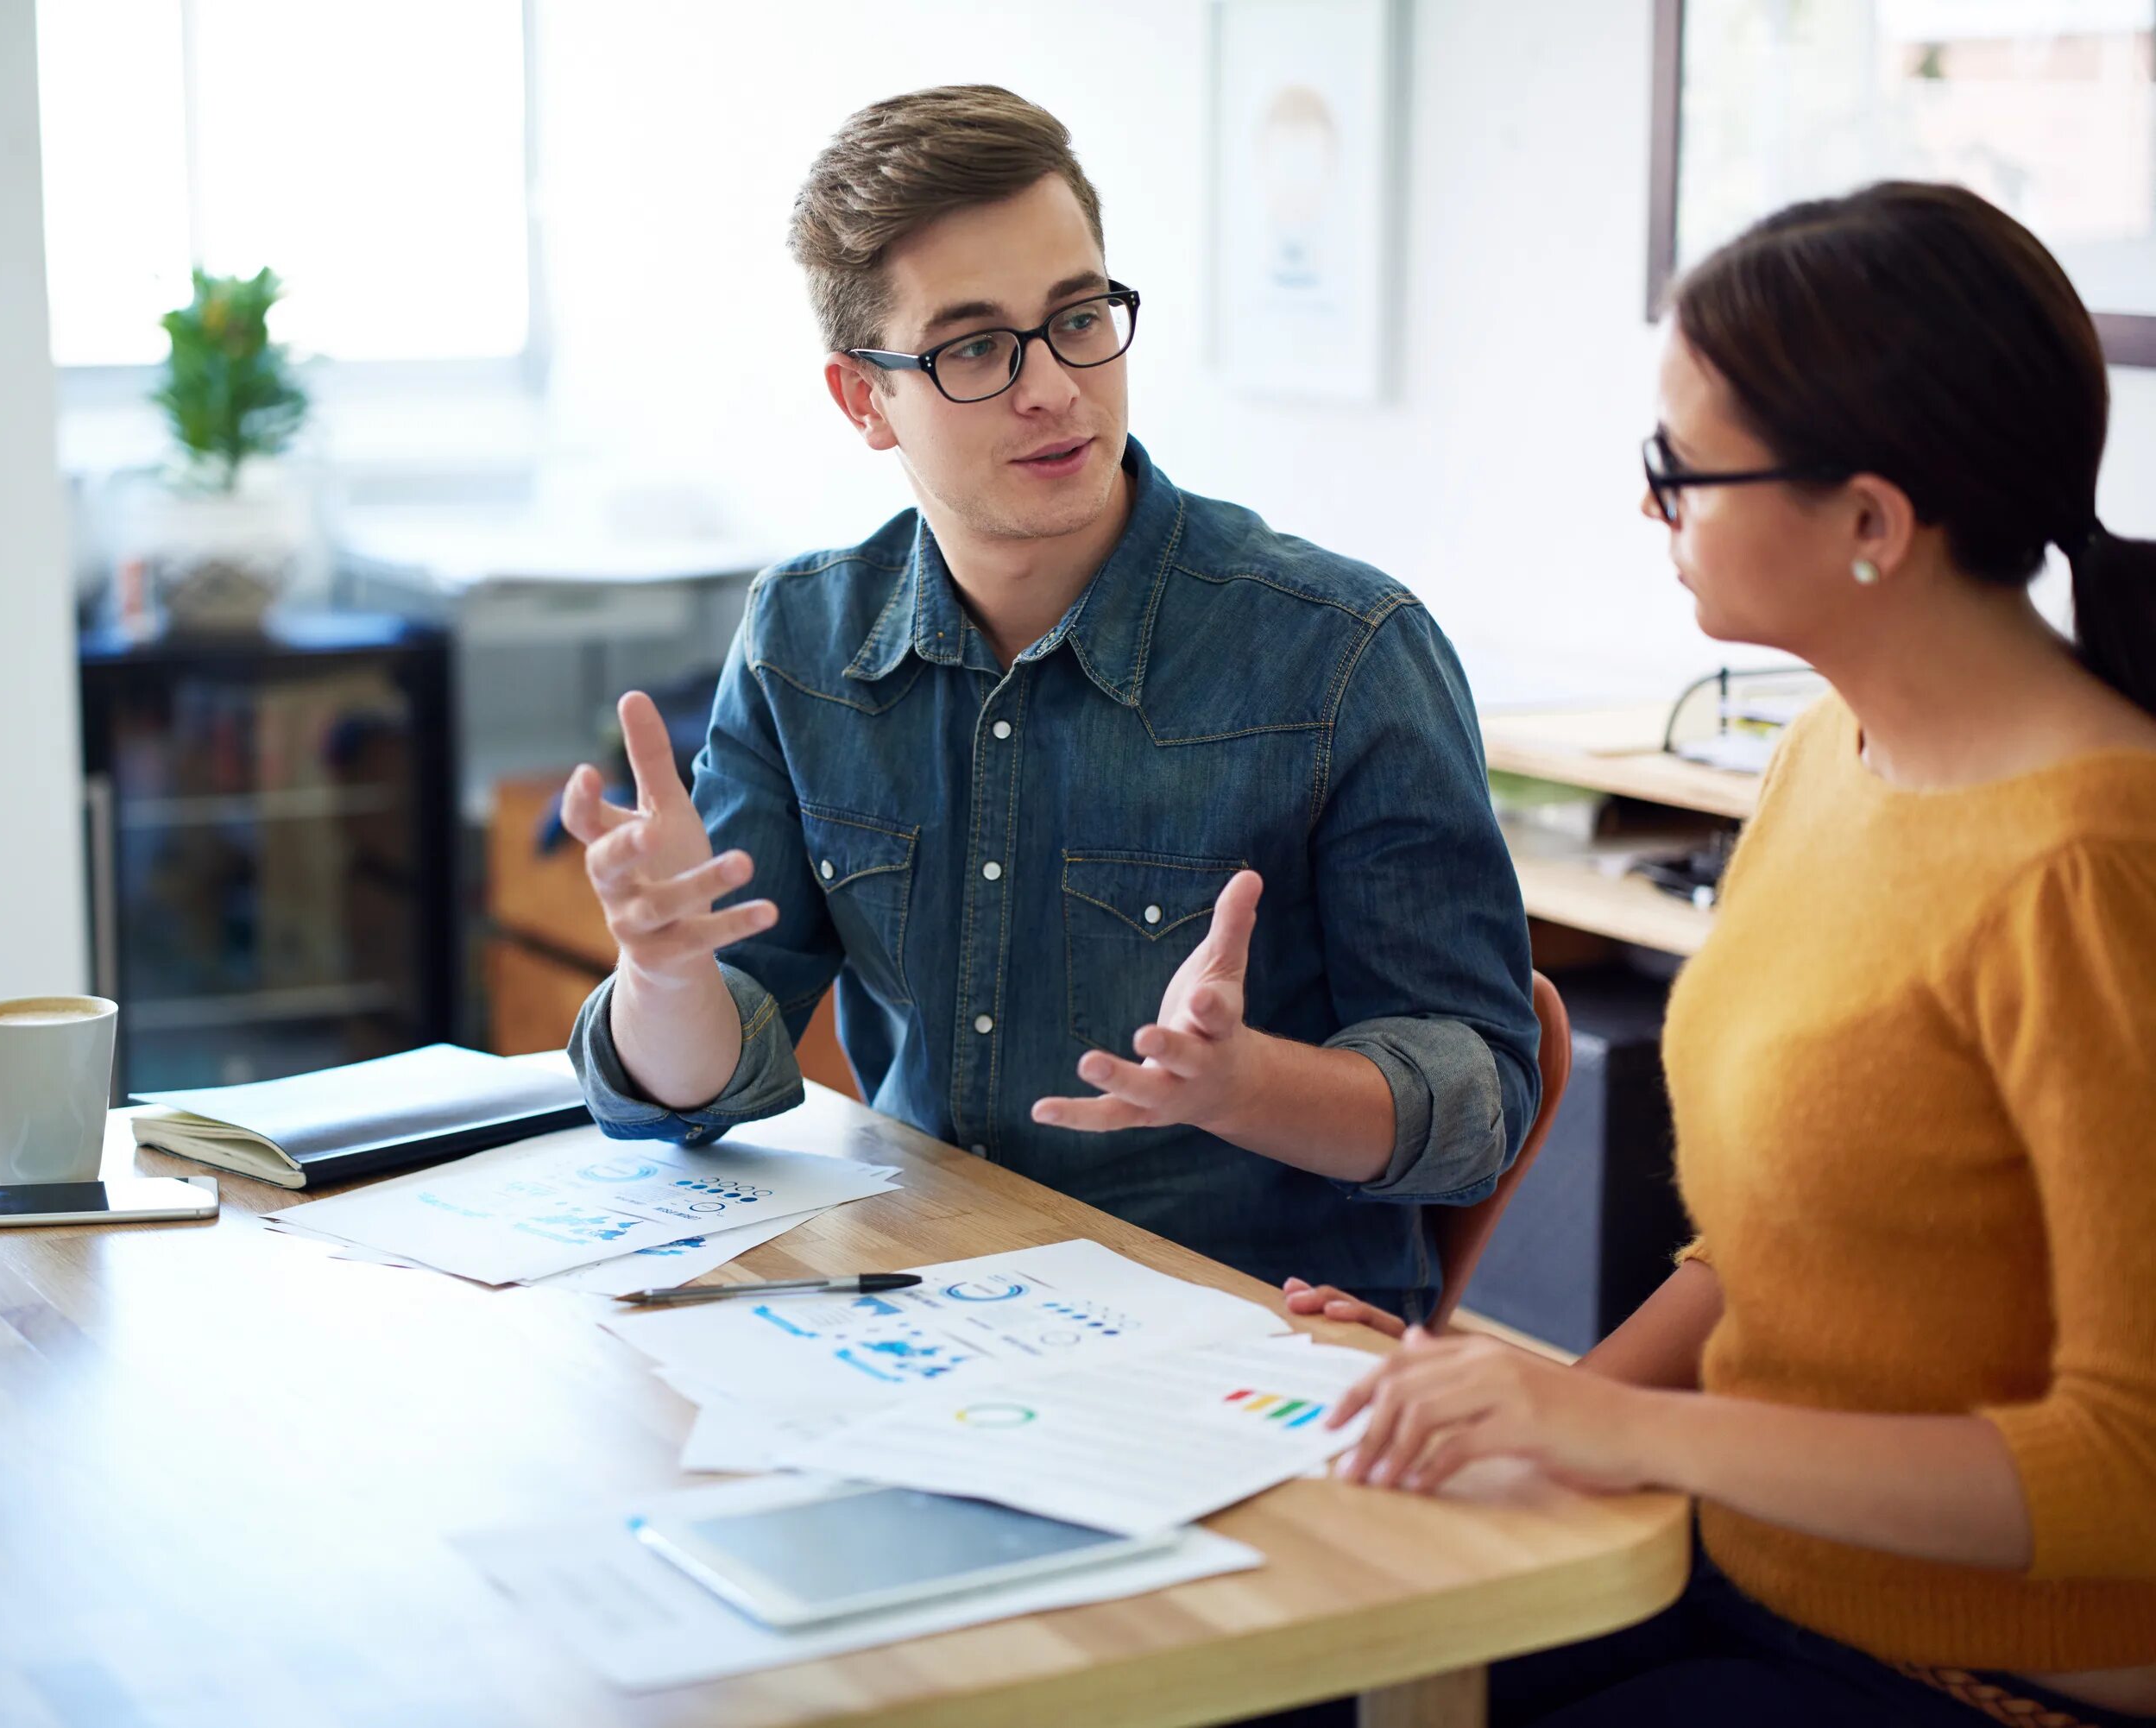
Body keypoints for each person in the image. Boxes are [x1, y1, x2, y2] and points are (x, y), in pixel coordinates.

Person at [1287, 182, 2156, 1725]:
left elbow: (2128, 1474)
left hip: (1975, 1679)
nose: (1652, 506)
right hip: (1737, 1569)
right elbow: (1785, 1243)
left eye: (1678, 468)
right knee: (1287, 1659)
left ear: (1873, 522)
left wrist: (1632, 1437)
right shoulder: (1834, 752)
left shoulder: (2091, 873)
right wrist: (1538, 1405)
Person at [555, 85, 1538, 1315]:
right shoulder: (805, 639)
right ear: (865, 398)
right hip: (915, 1314)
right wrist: (661, 974)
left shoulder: (1344, 654)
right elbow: (702, 1092)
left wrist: (1243, 1084)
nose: (1054, 388)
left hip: (1240, 1348)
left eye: (1079, 317)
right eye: (974, 346)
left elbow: (1481, 1102)